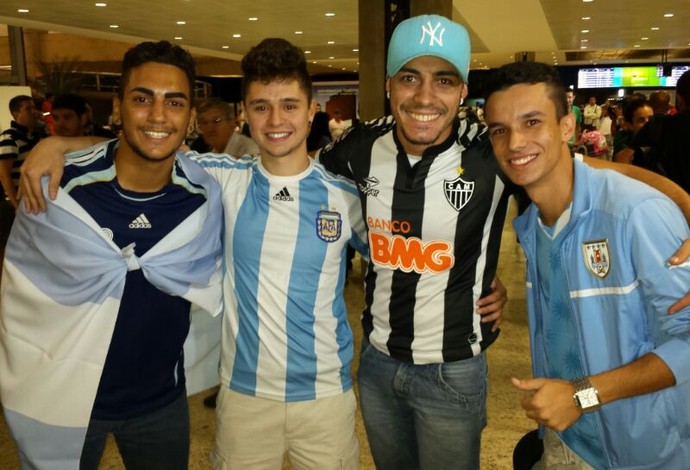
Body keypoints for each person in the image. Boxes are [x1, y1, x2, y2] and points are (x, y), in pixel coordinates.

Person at [316, 14, 690, 470]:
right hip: (376, 361)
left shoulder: (487, 148)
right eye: (410, 77)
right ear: (390, 84)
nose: (425, 96)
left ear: (460, 90)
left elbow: (585, 172)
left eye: (444, 80)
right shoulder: (358, 145)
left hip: (454, 369)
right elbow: (301, 180)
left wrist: (686, 204)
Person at [18, 37, 367, 470]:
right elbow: (147, 146)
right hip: (243, 395)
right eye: (261, 106)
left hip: (325, 396)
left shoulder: (346, 197)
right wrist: (57, 145)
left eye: (290, 105)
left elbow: (394, 260)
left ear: (311, 109)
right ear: (244, 114)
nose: (276, 120)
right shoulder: (218, 178)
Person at [0, 40, 224, 470]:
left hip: (160, 400)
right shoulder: (58, 188)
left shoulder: (204, 193)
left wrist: (62, 140)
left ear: (190, 116)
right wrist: (61, 146)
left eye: (174, 102)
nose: (159, 116)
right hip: (64, 395)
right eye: (143, 99)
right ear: (118, 107)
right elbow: (21, 288)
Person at [484, 60, 690, 469]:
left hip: (645, 453)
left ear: (566, 127)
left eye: (531, 122)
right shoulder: (531, 226)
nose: (514, 144)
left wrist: (581, 395)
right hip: (567, 443)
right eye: (500, 130)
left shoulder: (634, 214)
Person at [195, 97, 259, 156]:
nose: (209, 129)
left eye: (216, 121)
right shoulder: (214, 154)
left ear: (232, 122)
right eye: (204, 123)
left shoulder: (248, 151)